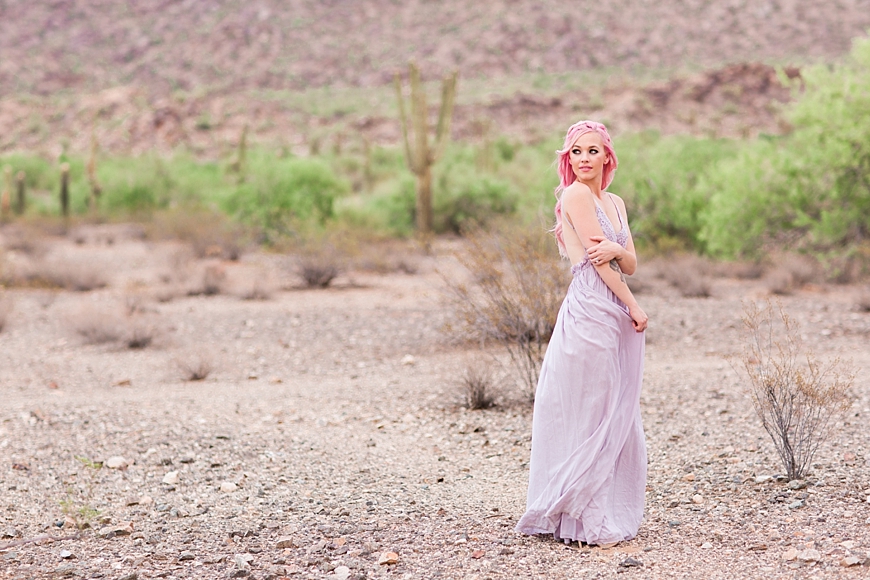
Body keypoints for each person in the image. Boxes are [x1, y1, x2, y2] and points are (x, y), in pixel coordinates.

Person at [516, 120, 648, 547]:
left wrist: (618, 253)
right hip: (592, 306)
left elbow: (629, 263)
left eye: (593, 151)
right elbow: (598, 263)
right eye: (576, 151)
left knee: (614, 406)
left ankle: (601, 508)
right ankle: (576, 516)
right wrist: (632, 304)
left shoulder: (615, 201)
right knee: (593, 407)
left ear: (607, 156)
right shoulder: (574, 195)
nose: (584, 159)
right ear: (567, 158)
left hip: (612, 303)